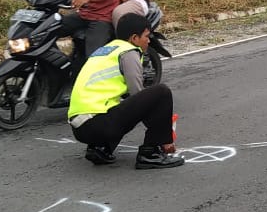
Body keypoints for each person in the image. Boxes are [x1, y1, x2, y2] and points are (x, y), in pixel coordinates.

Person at [67, 13, 184, 169]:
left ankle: (101, 148)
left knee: (119, 105)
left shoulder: (106, 49)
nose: (149, 41)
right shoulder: (128, 52)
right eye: (147, 36)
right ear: (134, 38)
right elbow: (138, 94)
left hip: (80, 127)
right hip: (97, 124)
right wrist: (164, 135)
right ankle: (150, 153)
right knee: (161, 92)